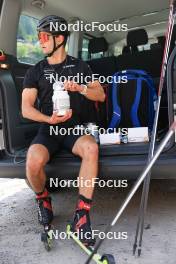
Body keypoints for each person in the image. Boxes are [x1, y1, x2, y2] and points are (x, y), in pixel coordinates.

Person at [22, 15, 105, 246]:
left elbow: (100, 95)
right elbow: (26, 109)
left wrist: (81, 88)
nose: (40, 41)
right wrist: (48, 118)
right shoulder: (35, 71)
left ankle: (81, 215)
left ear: (59, 38)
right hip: (48, 130)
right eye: (38, 37)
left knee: (91, 148)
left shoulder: (80, 66)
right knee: (32, 162)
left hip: (74, 129)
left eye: (44, 36)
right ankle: (43, 200)